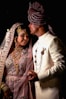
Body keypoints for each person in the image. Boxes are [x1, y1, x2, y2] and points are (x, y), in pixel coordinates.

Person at [27, 1, 66, 99]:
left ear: (38, 24)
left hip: (52, 93)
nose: (29, 25)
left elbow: (61, 66)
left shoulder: (53, 40)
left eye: (31, 23)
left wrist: (39, 76)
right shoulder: (35, 45)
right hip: (39, 91)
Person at [0, 22, 36, 99]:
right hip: (7, 88)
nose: (26, 38)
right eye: (22, 36)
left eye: (27, 36)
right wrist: (3, 87)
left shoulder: (30, 53)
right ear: (15, 37)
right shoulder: (5, 53)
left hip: (23, 88)